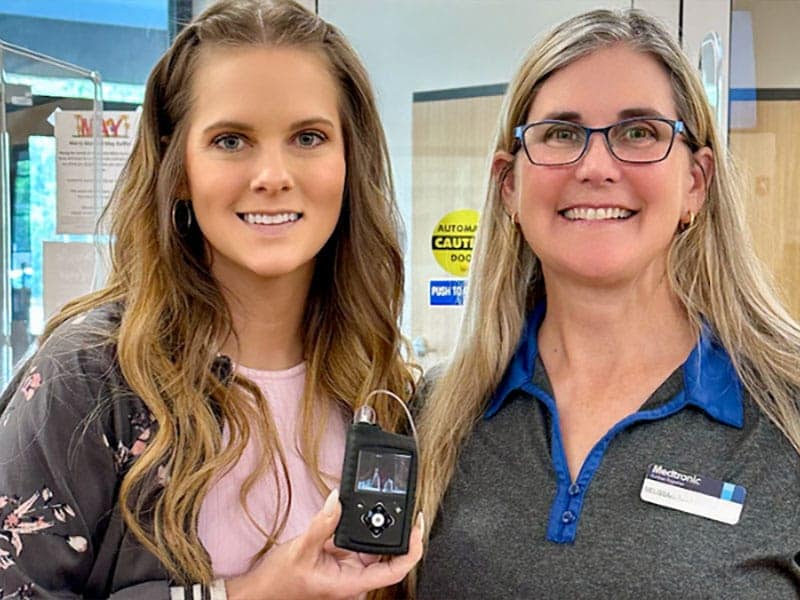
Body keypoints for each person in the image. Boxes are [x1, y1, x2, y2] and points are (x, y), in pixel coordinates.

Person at [0, 0, 423, 598]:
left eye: (308, 136)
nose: (272, 175)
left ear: (348, 161)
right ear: (178, 168)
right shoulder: (88, 379)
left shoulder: (382, 385)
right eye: (231, 140)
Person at [414, 8, 800, 599]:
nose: (596, 167)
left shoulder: (786, 414)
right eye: (562, 133)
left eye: (639, 132)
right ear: (509, 186)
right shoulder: (435, 414)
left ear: (695, 182)